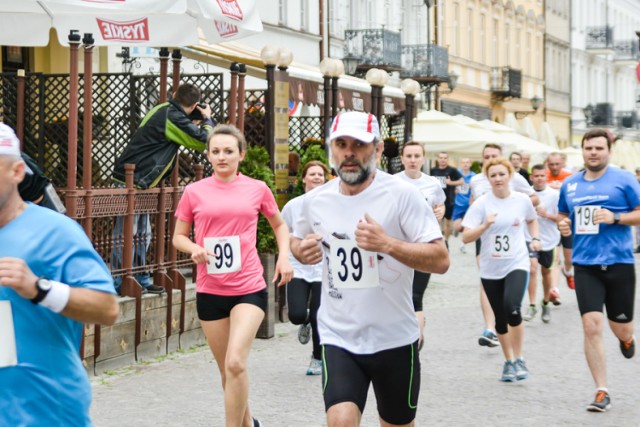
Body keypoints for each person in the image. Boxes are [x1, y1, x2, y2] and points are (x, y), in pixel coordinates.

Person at [291, 111, 449, 427]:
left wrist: (388, 244)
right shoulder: (314, 201)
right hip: (339, 337)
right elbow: (296, 240)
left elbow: (440, 259)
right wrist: (302, 250)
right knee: (340, 421)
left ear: (377, 150)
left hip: (394, 338)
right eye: (341, 144)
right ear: (331, 150)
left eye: (359, 145)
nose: (349, 153)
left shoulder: (403, 196)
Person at [172, 124, 293, 427]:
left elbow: (279, 224)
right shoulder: (193, 192)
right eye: (215, 151)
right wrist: (195, 249)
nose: (221, 157)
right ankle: (250, 423)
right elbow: (178, 237)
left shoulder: (257, 189)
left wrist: (284, 257)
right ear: (208, 155)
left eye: (228, 151)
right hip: (210, 289)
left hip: (248, 287)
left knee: (236, 361)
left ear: (241, 154)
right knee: (228, 371)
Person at [0, 123, 119, 426]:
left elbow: (108, 308)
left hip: (46, 413)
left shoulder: (56, 231)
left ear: (17, 172)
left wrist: (39, 289)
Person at [557, 128, 639, 413]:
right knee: (591, 325)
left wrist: (615, 216)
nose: (593, 153)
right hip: (585, 265)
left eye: (598, 148)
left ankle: (627, 338)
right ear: (582, 151)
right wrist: (563, 225)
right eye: (588, 148)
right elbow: (563, 214)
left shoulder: (625, 180)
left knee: (621, 326)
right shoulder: (570, 184)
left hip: (619, 264)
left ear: (608, 151)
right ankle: (601, 390)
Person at [111, 83, 214, 295]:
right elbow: (205, 141)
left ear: (174, 95)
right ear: (195, 104)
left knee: (141, 233)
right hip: (132, 179)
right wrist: (208, 119)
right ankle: (121, 280)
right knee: (127, 233)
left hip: (139, 179)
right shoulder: (172, 117)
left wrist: (193, 120)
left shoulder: (163, 110)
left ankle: (139, 276)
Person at [462, 157, 541, 382]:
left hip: (517, 262)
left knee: (513, 308)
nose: (498, 179)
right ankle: (509, 361)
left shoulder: (522, 200)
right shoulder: (481, 204)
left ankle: (520, 357)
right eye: (493, 175)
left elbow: (532, 220)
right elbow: (466, 236)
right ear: (488, 179)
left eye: (501, 174)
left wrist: (535, 238)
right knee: (499, 318)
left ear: (510, 175)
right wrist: (485, 225)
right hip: (490, 268)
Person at [395, 141, 446, 350]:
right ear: (402, 159)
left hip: (424, 246)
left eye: (417, 156)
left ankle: (416, 340)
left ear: (423, 158)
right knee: (399, 295)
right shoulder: (393, 182)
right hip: (399, 248)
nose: (413, 160)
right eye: (409, 156)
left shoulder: (432, 183)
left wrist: (441, 212)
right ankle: (403, 335)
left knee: (416, 295)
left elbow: (440, 204)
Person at [282, 160, 330, 375]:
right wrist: (284, 258)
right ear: (304, 178)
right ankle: (305, 321)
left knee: (319, 316)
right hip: (298, 266)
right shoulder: (293, 206)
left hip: (323, 268)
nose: (317, 177)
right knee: (297, 314)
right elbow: (284, 234)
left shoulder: (333, 204)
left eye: (321, 174)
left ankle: (317, 359)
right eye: (312, 174)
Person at [523, 164, 561, 323]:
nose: (539, 179)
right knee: (532, 269)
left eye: (542, 176)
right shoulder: (525, 194)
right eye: (536, 176)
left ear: (546, 177)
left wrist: (547, 215)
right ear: (531, 177)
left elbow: (562, 218)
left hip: (549, 240)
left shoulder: (554, 195)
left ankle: (545, 303)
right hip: (530, 237)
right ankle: (532, 306)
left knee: (546, 273)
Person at [546, 152, 575, 291]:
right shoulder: (544, 176)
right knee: (555, 258)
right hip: (551, 223)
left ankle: (568, 271)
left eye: (557, 164)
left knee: (569, 259)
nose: (554, 167)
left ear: (562, 163)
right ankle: (555, 289)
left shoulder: (570, 177)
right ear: (547, 164)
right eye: (551, 164)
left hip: (566, 221)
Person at [430, 152, 463, 248]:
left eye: (445, 158)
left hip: (449, 199)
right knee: (437, 220)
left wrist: (451, 182)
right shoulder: (433, 170)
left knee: (448, 222)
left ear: (447, 159)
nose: (443, 160)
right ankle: (438, 239)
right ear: (438, 159)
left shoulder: (452, 170)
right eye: (441, 158)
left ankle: (446, 240)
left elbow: (461, 181)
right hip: (436, 200)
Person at [452, 157, 476, 253]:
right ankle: (457, 231)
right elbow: (449, 186)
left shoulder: (474, 176)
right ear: (460, 164)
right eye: (463, 162)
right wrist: (453, 190)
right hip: (457, 204)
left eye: (467, 162)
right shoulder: (456, 174)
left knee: (467, 226)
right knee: (457, 227)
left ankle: (462, 244)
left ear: (470, 164)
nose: (465, 164)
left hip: (468, 205)